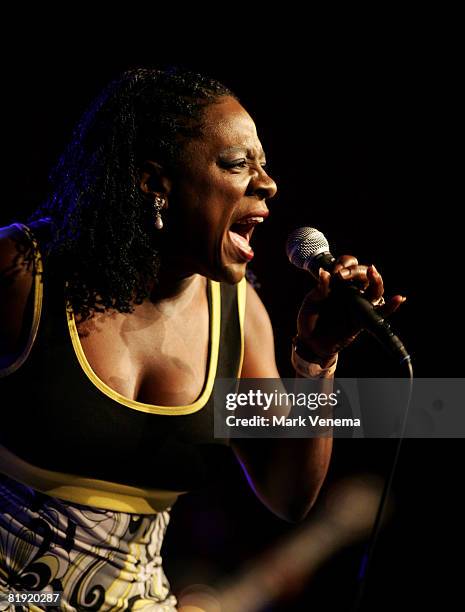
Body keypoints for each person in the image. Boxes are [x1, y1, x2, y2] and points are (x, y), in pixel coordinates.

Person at [0, 67, 404, 611]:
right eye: (239, 164)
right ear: (155, 182)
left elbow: (288, 495)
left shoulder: (239, 317)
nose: (267, 184)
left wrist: (317, 357)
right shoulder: (23, 275)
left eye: (264, 164)